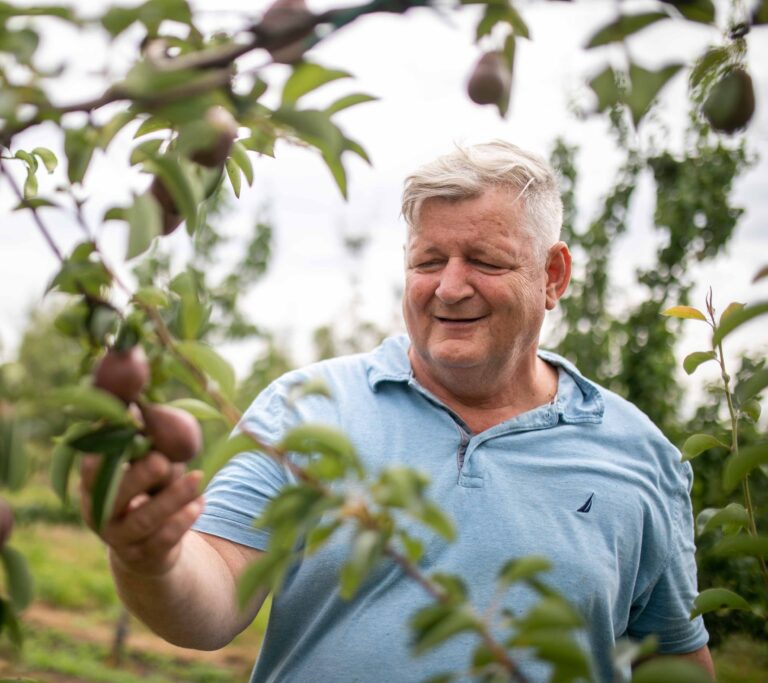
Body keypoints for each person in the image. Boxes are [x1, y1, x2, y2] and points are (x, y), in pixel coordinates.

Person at [80, 141, 714, 681]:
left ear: (553, 275)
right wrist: (150, 557)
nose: (450, 287)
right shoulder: (308, 409)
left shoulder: (640, 456)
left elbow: (674, 662)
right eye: (428, 261)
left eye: (485, 261)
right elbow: (216, 590)